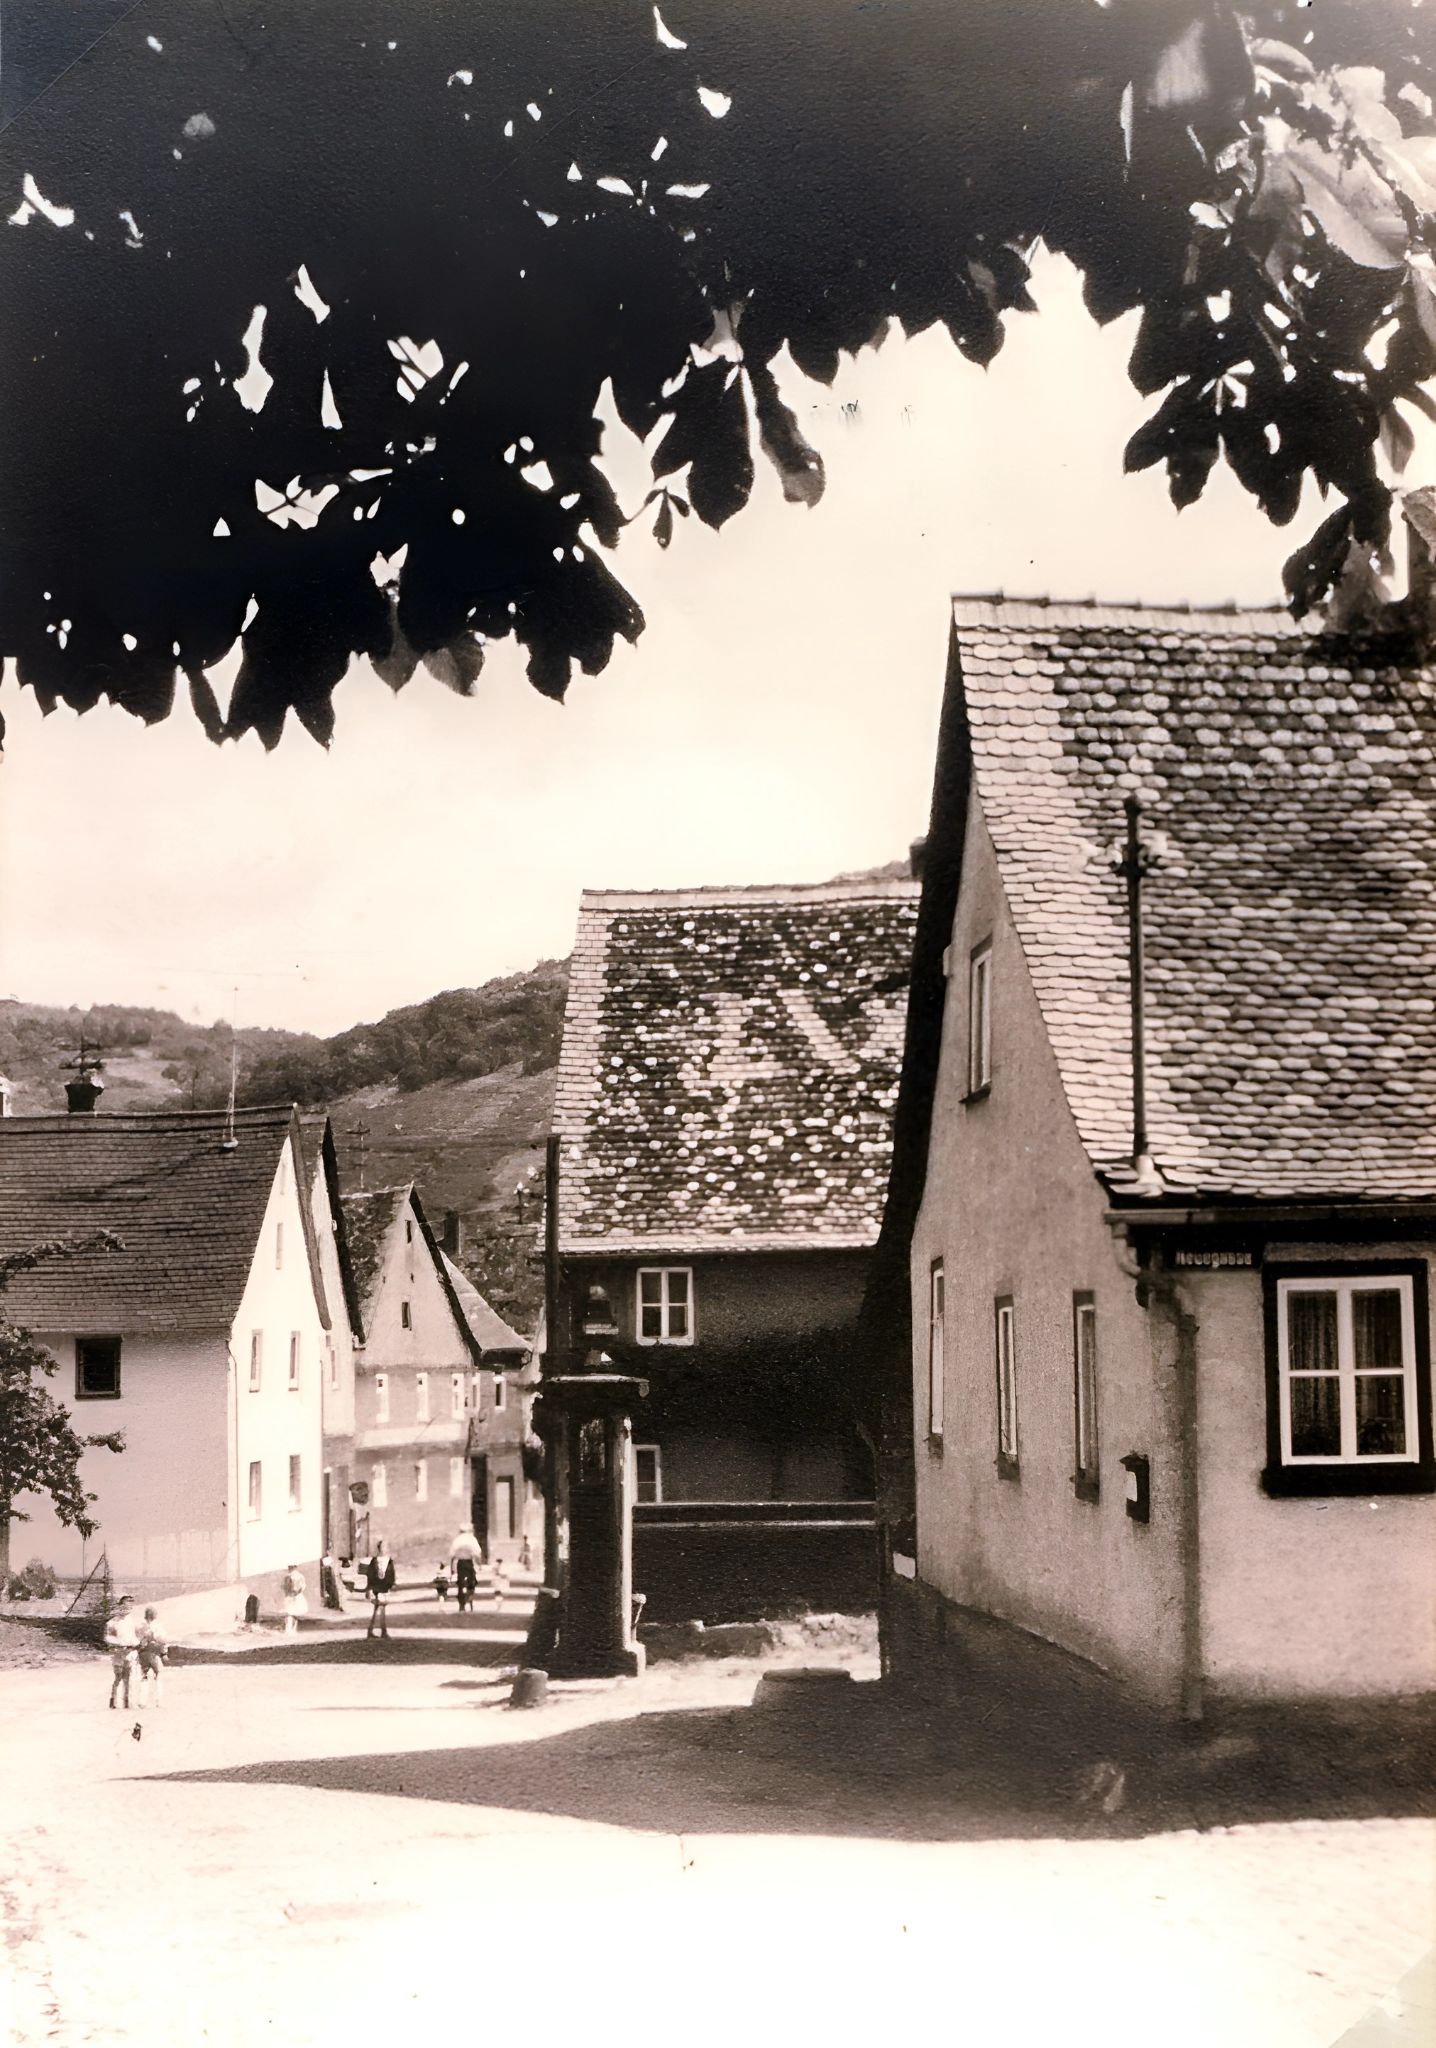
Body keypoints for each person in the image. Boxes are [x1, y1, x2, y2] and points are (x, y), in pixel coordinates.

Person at [104, 1594, 139, 1710]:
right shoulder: (112, 1622)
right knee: (118, 1677)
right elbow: (107, 1638)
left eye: (130, 1606)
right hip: (119, 1652)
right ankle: (114, 1701)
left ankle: (128, 1702)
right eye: (124, 1606)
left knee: (129, 1678)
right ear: (119, 1606)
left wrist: (137, 1642)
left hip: (131, 1652)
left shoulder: (134, 1622)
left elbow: (139, 1636)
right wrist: (118, 1643)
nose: (127, 1609)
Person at [137, 1607, 168, 1707]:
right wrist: (164, 1654)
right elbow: (163, 1640)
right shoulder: (158, 1626)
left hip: (143, 1653)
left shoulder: (139, 1626)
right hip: (154, 1653)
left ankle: (142, 1701)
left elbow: (137, 1641)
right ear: (155, 1615)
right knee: (158, 1675)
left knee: (144, 1676)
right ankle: (158, 1701)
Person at [365, 1540, 396, 1641]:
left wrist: (391, 1584)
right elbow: (370, 1575)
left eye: (386, 1547)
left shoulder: (389, 1561)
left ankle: (371, 1630)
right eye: (382, 1547)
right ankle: (383, 1631)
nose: (384, 1549)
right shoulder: (374, 1561)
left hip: (385, 1587)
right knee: (381, 1609)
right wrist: (370, 1587)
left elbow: (391, 1574)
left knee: (378, 1609)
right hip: (377, 1587)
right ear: (379, 1548)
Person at [449, 1527, 482, 1613]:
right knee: (472, 1580)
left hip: (460, 1563)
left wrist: (451, 1569)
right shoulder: (472, 1539)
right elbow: (477, 1553)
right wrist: (479, 1564)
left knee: (460, 1583)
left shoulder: (457, 1540)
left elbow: (452, 1555)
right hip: (468, 1562)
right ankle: (470, 1594)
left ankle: (461, 1604)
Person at [282, 1563, 308, 1637]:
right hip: (297, 1596)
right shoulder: (300, 1576)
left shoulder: (287, 1576)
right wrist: (298, 1592)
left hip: (290, 1596)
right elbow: (303, 1587)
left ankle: (289, 1630)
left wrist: (288, 1592)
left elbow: (284, 1586)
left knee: (290, 1613)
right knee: (295, 1613)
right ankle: (293, 1630)